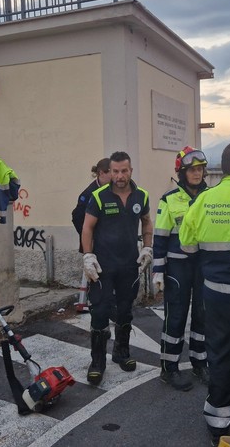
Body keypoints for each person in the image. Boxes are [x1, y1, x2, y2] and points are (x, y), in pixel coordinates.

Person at [179, 141, 230, 446]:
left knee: (221, 356)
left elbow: (187, 246)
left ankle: (219, 422)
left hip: (216, 296)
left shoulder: (204, 200)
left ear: (222, 169)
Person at [81, 151, 153, 385]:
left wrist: (147, 248)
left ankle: (121, 353)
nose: (119, 176)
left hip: (129, 265)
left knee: (125, 310)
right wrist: (88, 255)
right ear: (109, 172)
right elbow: (87, 227)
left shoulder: (141, 196)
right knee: (100, 311)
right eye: (115, 171)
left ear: (130, 171)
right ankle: (97, 362)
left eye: (124, 171)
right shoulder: (99, 196)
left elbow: (146, 222)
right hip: (103, 266)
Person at [153, 146, 209, 391]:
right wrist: (157, 270)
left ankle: (200, 362)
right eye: (192, 170)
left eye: (200, 169)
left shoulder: (211, 198)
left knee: (202, 316)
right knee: (175, 317)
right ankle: (169, 368)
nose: (197, 174)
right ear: (182, 172)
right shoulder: (169, 200)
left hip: (204, 267)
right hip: (177, 267)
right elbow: (160, 237)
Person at [72, 158, 111, 252]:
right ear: (101, 173)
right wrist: (89, 238)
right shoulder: (88, 194)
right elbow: (77, 217)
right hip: (95, 246)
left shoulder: (112, 190)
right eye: (112, 172)